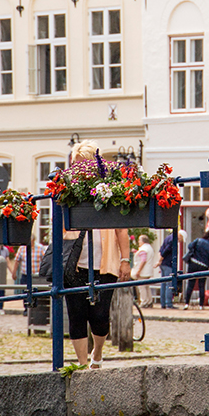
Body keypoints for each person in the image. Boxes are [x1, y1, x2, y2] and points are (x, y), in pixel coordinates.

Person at [63, 140, 132, 368]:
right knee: (76, 314)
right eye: (77, 166)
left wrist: (125, 260)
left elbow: (121, 229)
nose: (79, 170)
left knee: (100, 316)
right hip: (75, 265)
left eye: (84, 165)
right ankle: (82, 364)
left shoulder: (109, 190)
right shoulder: (68, 192)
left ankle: (98, 352)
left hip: (105, 265)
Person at [183, 230, 209, 307]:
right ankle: (201, 305)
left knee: (190, 284)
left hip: (193, 263)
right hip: (203, 266)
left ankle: (186, 303)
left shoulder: (197, 241)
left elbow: (190, 246)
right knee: (202, 286)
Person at [158, 230, 185, 310]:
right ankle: (168, 304)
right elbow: (166, 250)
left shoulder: (167, 238)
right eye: (181, 239)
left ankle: (163, 303)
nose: (180, 241)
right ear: (179, 235)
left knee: (163, 283)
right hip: (168, 263)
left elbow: (161, 249)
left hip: (163, 264)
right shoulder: (173, 240)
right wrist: (160, 259)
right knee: (169, 284)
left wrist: (160, 260)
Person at [131, 233, 156, 307]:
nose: (138, 242)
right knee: (146, 286)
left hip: (143, 272)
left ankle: (144, 301)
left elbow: (143, 260)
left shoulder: (143, 249)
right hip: (148, 271)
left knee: (142, 288)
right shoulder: (149, 248)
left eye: (139, 240)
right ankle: (149, 301)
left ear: (143, 241)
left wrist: (138, 270)